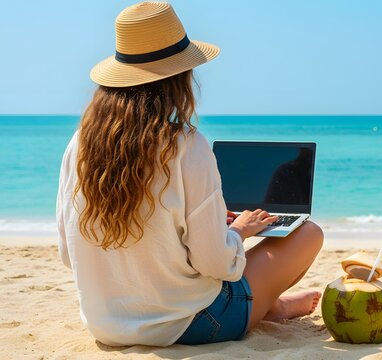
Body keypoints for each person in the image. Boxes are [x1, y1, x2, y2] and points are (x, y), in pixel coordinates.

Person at [56, 2, 324, 347]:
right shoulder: (185, 145)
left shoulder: (79, 144)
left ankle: (271, 306)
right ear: (179, 77)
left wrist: (206, 231)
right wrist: (237, 232)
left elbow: (68, 253)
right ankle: (267, 306)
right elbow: (215, 265)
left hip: (106, 325)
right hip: (194, 323)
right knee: (308, 233)